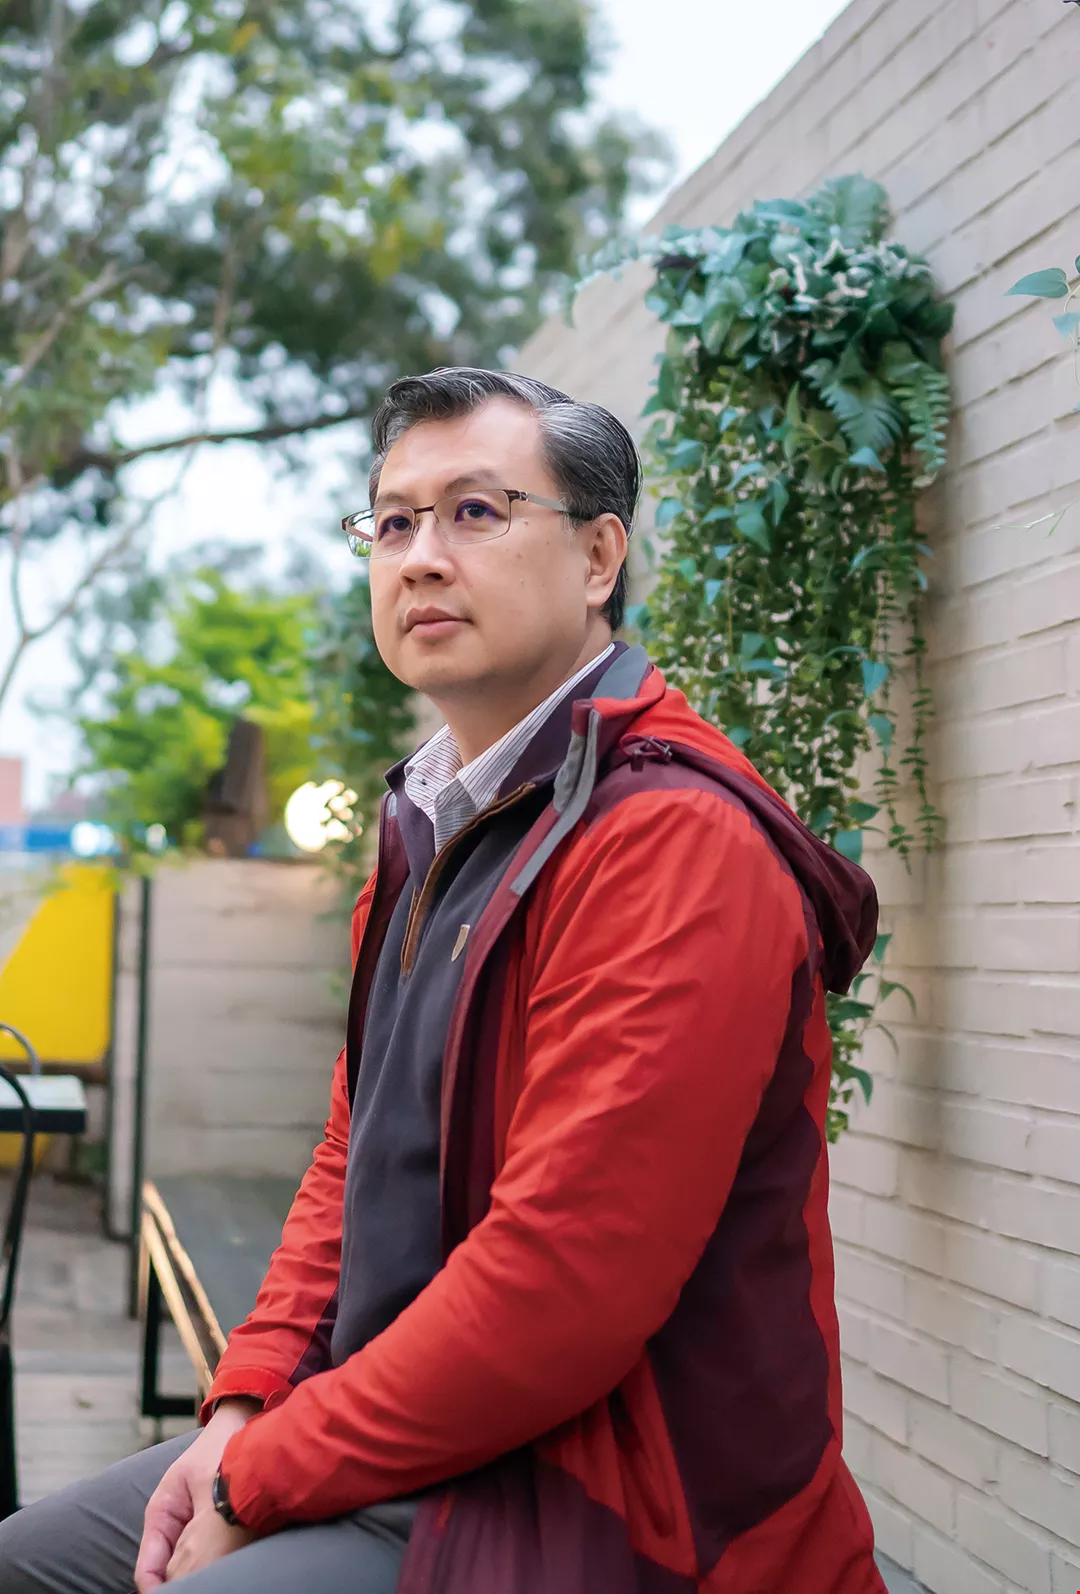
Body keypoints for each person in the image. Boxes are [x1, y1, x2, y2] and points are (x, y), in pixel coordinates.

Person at [0, 368, 887, 1594]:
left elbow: (562, 1289)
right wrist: (244, 1406)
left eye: (475, 511)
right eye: (393, 521)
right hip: (397, 1437)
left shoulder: (672, 842)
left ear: (598, 557)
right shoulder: (431, 822)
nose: (419, 556)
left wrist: (259, 1477)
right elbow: (350, 1157)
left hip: (606, 1502)